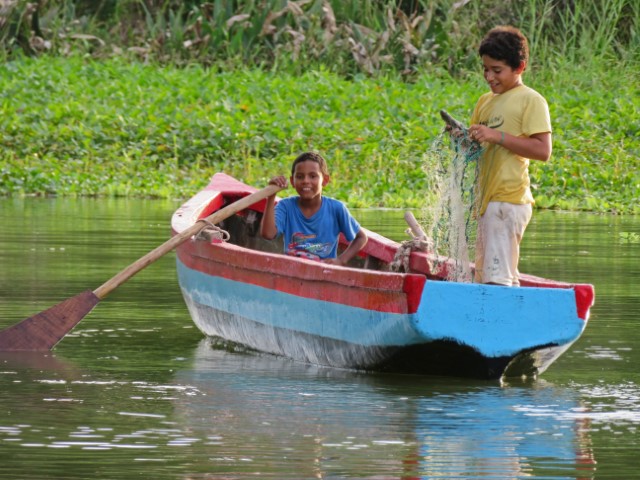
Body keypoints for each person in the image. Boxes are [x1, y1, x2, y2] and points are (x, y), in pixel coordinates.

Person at [466, 25, 552, 286]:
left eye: (497, 70)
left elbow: (543, 150)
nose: (489, 77)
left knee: (496, 279)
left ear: (520, 67)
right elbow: (477, 148)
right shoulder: (485, 101)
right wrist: (464, 138)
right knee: (489, 276)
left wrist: (497, 136)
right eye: (485, 69)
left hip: (508, 201)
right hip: (487, 201)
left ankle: (495, 322)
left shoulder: (531, 100)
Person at [260, 151, 368, 266]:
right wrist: (271, 196)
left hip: (325, 274)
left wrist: (341, 260)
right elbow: (268, 234)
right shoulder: (286, 206)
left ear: (325, 180)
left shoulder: (336, 209)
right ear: (292, 181)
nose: (306, 181)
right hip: (292, 272)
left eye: (313, 176)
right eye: (300, 177)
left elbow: (361, 237)